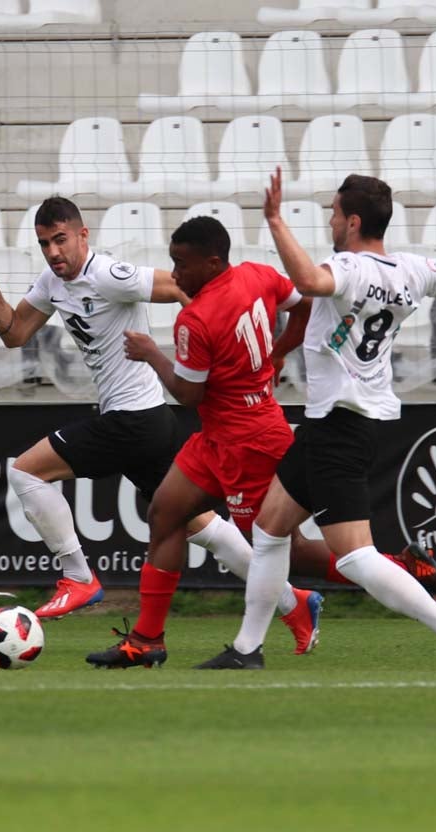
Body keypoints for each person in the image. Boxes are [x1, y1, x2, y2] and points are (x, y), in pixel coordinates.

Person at [0, 197, 321, 651]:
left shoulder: (109, 274)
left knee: (25, 471)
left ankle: (77, 576)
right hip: (148, 423)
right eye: (45, 243)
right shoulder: (52, 282)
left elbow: (183, 286)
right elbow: (14, 333)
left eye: (61, 240)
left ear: (83, 235)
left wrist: (218, 336)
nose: (53, 251)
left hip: (134, 420)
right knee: (199, 525)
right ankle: (295, 603)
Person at [195, 155, 436, 671]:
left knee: (356, 557)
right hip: (347, 421)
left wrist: (275, 220)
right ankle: (247, 650)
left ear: (354, 222)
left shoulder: (348, 268)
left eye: (335, 213)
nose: (330, 221)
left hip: (340, 425)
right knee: (270, 530)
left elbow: (311, 281)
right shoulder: (412, 268)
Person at [84, 215, 317, 669]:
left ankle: (396, 571)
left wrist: (152, 355)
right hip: (217, 437)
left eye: (182, 265)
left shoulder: (196, 318)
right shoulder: (258, 274)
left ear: (212, 263)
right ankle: (147, 640)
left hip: (248, 441)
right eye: (173, 263)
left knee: (293, 549)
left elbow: (189, 394)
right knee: (165, 513)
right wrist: (280, 350)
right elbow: (304, 306)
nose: (175, 275)